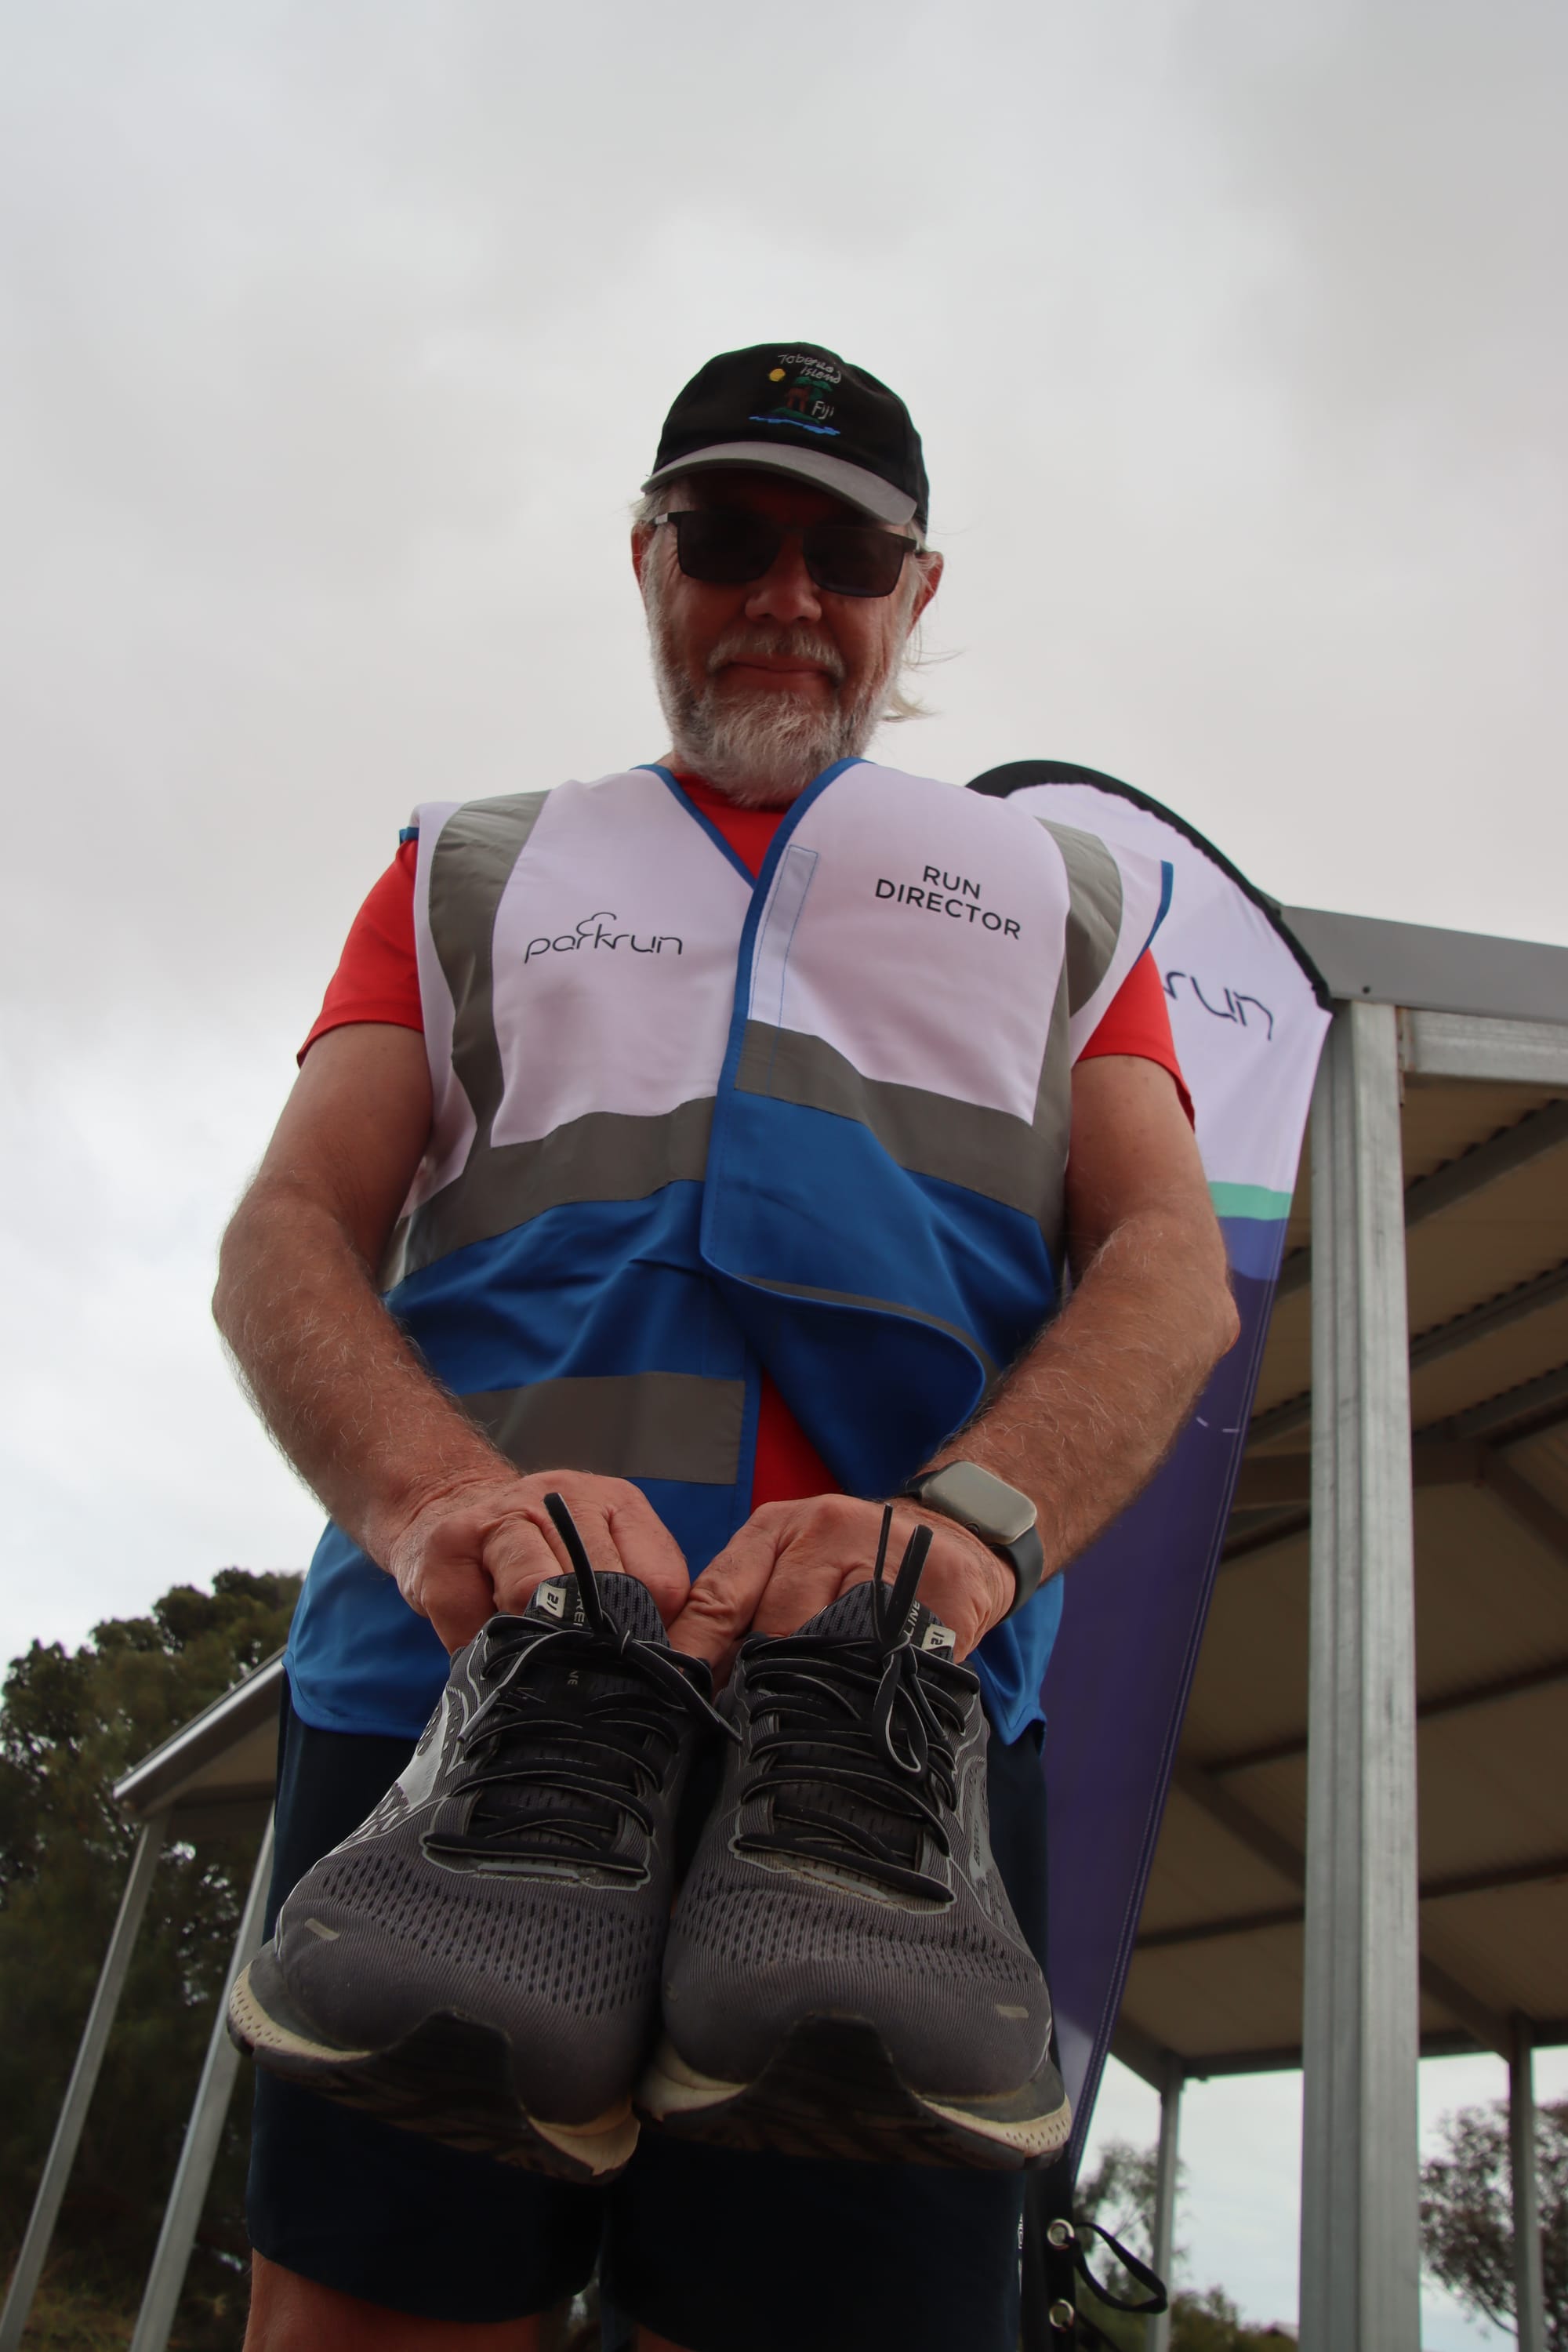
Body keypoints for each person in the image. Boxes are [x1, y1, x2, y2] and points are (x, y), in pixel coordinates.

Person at [215, 343, 1238, 2352]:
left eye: (843, 552)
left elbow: (1169, 1270)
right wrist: (439, 1506)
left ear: (913, 593)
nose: (786, 594)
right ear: (647, 559)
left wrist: (957, 1539)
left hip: (878, 1744)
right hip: (462, 1704)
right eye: (730, 537)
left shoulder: (1062, 896)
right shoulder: (463, 865)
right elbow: (285, 1235)